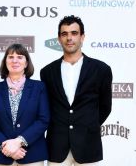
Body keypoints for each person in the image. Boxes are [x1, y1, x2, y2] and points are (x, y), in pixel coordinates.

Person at [40, 15, 112, 166]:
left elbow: (105, 107)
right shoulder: (47, 72)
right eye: (64, 34)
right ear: (59, 39)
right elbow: (46, 108)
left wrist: (87, 125)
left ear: (82, 37)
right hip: (57, 147)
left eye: (74, 33)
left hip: (88, 146)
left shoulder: (101, 69)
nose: (69, 38)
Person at [0, 43, 50, 166]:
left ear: (26, 63)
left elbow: (43, 119)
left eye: (20, 57)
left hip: (32, 156)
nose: (15, 60)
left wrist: (19, 142)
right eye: (10, 57)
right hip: (3, 155)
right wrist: (5, 146)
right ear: (5, 62)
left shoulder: (39, 87)